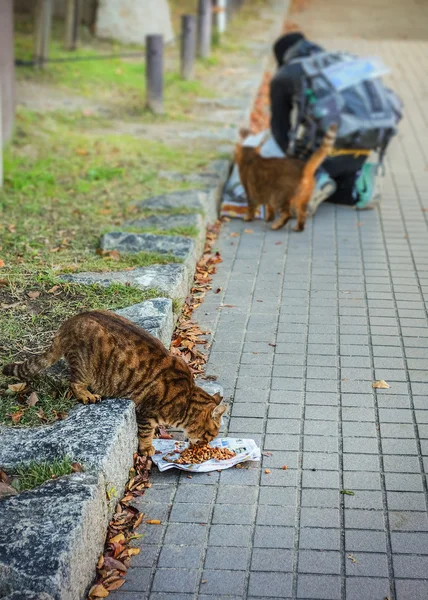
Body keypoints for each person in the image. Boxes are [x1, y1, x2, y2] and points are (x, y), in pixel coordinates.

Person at [269, 31, 396, 214]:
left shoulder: (287, 73)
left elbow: (280, 130)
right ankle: (359, 183)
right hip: (366, 144)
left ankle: (314, 180)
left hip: (326, 152)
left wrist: (292, 163)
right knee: (338, 188)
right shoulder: (342, 60)